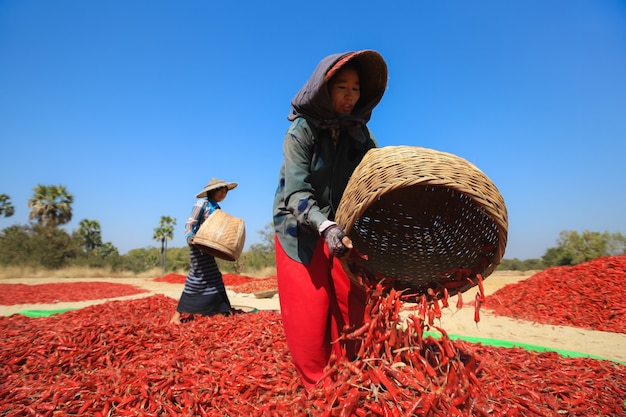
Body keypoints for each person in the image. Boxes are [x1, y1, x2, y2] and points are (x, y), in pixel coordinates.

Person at [272, 50, 388, 388]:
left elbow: (377, 176)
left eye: (355, 88)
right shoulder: (301, 131)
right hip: (298, 227)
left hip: (341, 229)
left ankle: (348, 372)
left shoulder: (360, 136)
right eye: (342, 87)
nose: (350, 96)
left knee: (351, 300)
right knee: (311, 305)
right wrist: (325, 226)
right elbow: (295, 193)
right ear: (324, 89)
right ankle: (318, 387)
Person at [170, 177, 238, 325]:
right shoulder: (202, 204)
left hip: (209, 248)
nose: (223, 194)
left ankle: (219, 310)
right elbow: (190, 223)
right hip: (198, 246)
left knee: (213, 276)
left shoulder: (218, 209)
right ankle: (177, 316)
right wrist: (190, 239)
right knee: (196, 278)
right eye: (220, 191)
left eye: (225, 192)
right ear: (213, 191)